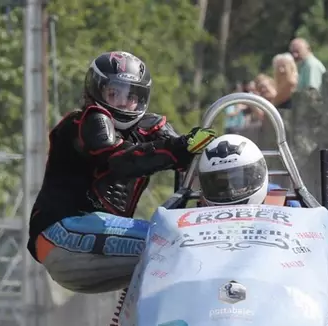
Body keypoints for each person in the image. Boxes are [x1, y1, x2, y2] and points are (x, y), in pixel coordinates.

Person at [27, 51, 217, 295]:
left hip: (95, 247)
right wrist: (179, 148)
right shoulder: (82, 124)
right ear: (96, 91)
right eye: (114, 93)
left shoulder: (149, 129)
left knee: (180, 250)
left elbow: (188, 163)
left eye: (131, 96)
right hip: (59, 234)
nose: (123, 102)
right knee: (170, 240)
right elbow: (121, 161)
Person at [196, 134, 270, 206]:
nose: (230, 192)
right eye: (221, 185)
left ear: (257, 177)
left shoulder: (276, 208)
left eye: (237, 181)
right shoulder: (195, 213)